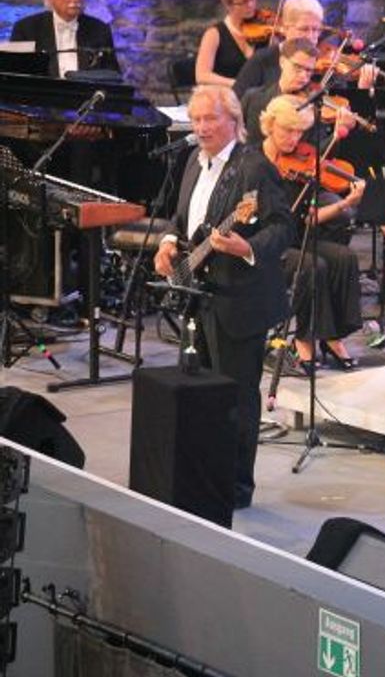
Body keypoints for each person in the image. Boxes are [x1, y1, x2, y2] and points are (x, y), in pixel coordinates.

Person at [153, 85, 293, 509]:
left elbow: (283, 227)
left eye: (210, 119)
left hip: (240, 300)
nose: (201, 127)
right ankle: (203, 474)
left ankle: (235, 487)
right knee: (200, 395)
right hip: (199, 294)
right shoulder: (194, 164)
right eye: (195, 120)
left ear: (233, 121)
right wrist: (167, 242)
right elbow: (181, 221)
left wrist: (246, 248)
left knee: (235, 397)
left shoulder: (254, 169)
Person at [259, 95, 364, 372]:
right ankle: (304, 341)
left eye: (299, 132)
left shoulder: (304, 161)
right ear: (270, 125)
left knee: (343, 257)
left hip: (298, 237)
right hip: (268, 244)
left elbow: (311, 217)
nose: (295, 139)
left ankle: (333, 336)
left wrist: (344, 204)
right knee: (311, 265)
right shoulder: (255, 163)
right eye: (287, 130)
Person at [10, 0, 119, 78]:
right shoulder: (26, 28)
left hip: (85, 94)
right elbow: (15, 75)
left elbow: (112, 76)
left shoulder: (99, 29)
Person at [232, 0, 324, 98]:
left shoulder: (319, 64)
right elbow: (235, 101)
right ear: (285, 28)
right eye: (304, 29)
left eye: (316, 30)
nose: (310, 36)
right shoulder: (262, 59)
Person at [194, 0, 266, 87]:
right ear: (228, 5)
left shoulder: (265, 30)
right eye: (243, 2)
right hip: (226, 97)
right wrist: (236, 84)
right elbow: (202, 76)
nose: (251, 5)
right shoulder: (214, 34)